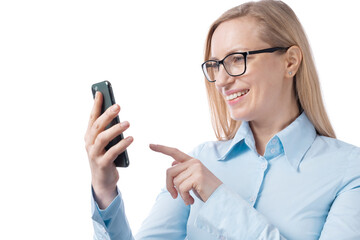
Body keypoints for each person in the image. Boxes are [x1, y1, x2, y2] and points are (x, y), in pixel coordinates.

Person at [84, 0, 360, 239]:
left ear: (290, 62)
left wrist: (217, 198)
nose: (223, 80)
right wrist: (105, 190)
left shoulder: (349, 171)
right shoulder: (200, 162)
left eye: (237, 59)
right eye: (215, 65)